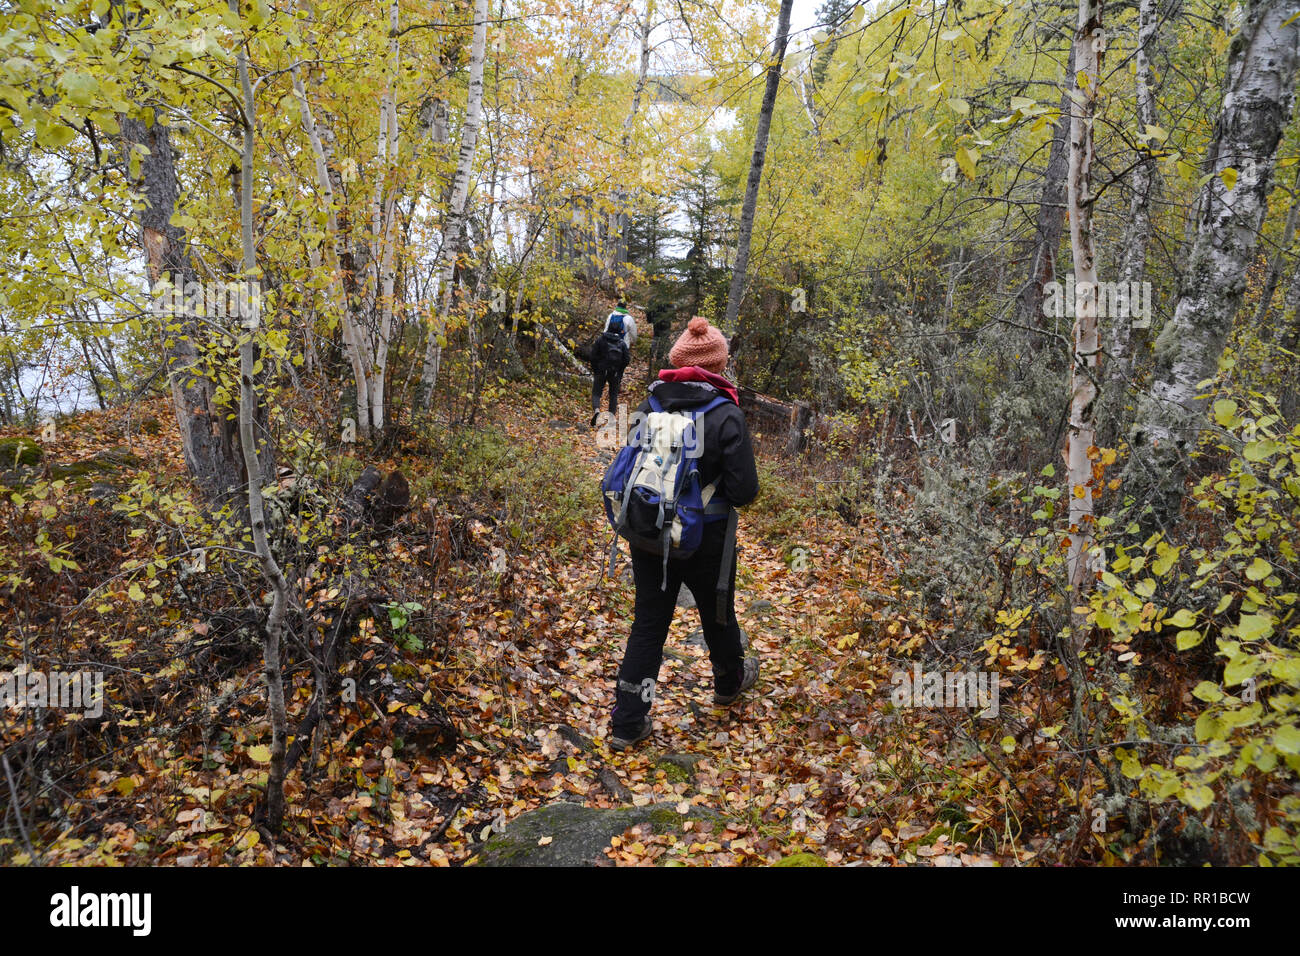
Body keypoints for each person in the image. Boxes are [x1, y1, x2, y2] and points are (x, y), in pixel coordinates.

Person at [608, 316, 760, 750]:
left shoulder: (651, 404)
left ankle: (628, 722)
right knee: (716, 613)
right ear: (719, 364)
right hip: (707, 537)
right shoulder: (726, 413)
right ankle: (728, 684)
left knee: (649, 625)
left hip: (650, 531)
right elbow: (744, 490)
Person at [589, 307, 631, 426]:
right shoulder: (621, 343)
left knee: (596, 392)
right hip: (615, 373)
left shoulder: (601, 339)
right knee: (613, 395)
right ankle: (611, 418)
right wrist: (620, 371)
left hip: (601, 370)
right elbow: (626, 359)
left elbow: (592, 355)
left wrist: (595, 369)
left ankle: (597, 411)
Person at [644, 293, 675, 382]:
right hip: (666, 322)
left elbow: (648, 310)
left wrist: (650, 320)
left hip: (656, 321)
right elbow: (672, 311)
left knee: (656, 336)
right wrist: (671, 319)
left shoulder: (653, 298)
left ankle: (652, 354)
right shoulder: (668, 298)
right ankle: (659, 357)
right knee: (663, 338)